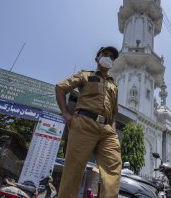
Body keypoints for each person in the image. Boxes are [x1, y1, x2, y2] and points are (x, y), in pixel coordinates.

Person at [55, 46, 122, 197]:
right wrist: (66, 114)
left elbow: (114, 112)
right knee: (74, 171)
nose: (108, 58)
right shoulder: (85, 74)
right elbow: (60, 87)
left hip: (107, 130)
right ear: (97, 58)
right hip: (84, 124)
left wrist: (113, 130)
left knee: (113, 172)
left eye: (112, 57)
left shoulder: (114, 85)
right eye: (105, 54)